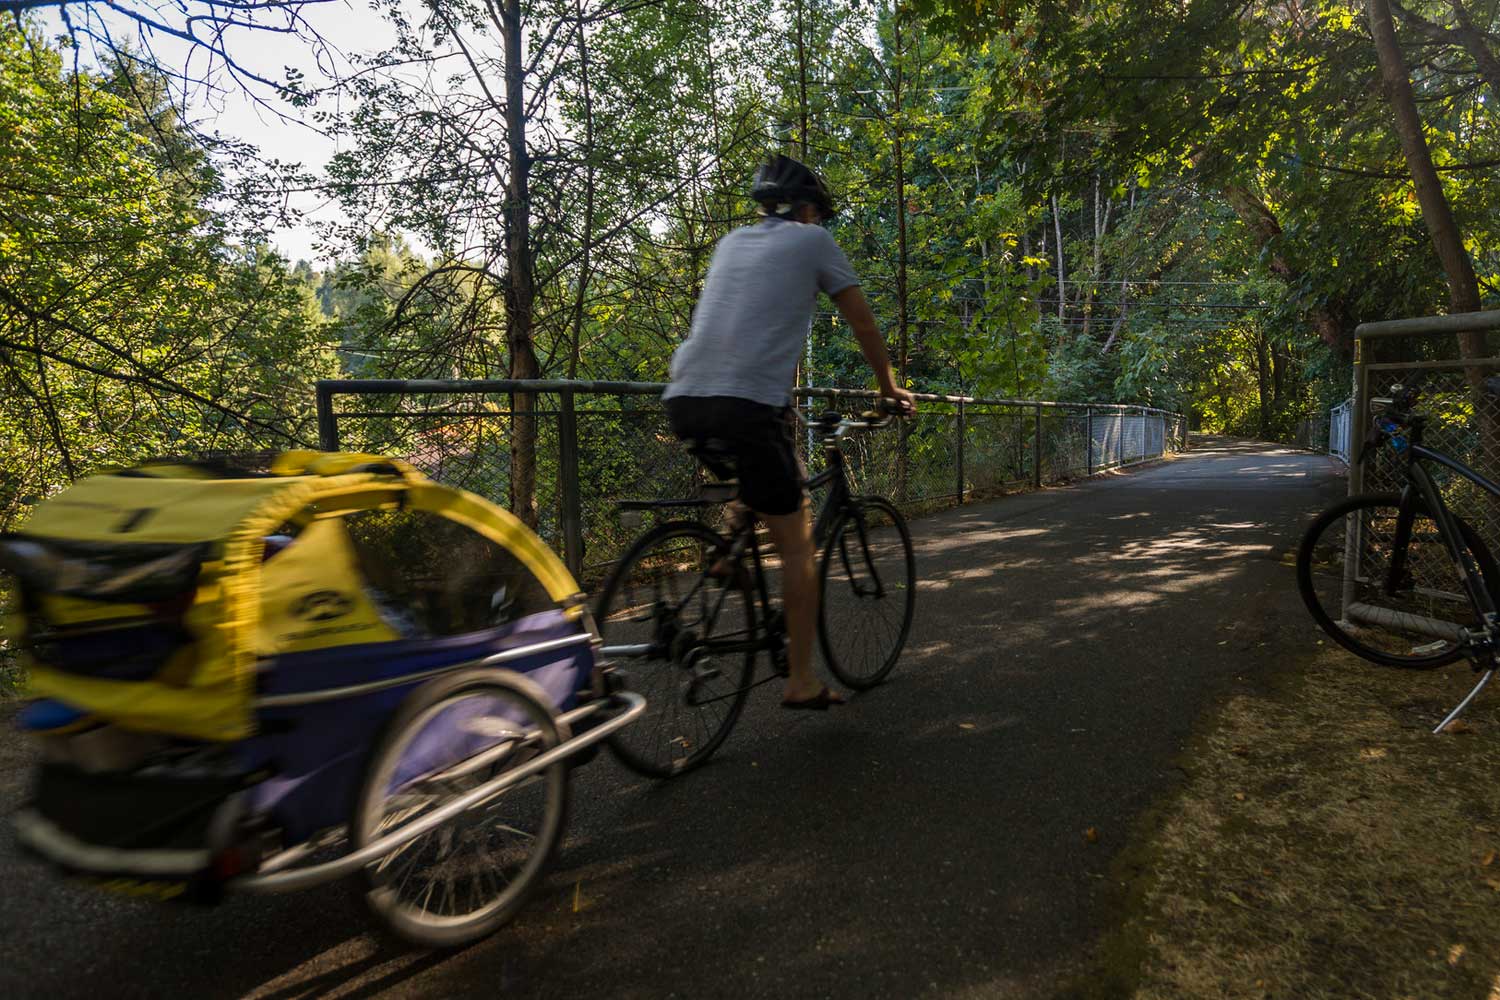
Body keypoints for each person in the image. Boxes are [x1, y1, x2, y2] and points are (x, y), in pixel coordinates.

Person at [662, 153, 915, 710]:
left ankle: (729, 551)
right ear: (807, 210)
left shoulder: (732, 242)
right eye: (819, 214)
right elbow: (862, 321)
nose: (820, 223)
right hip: (747, 407)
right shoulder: (813, 242)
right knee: (800, 549)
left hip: (685, 399)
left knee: (775, 467)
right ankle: (800, 680)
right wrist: (888, 386)